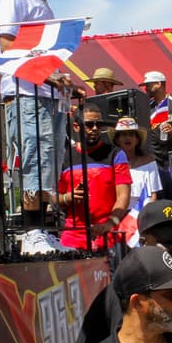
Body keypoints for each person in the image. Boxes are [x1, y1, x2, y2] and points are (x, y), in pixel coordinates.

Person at [0, 0, 76, 247]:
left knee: (48, 162)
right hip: (26, 91)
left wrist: (58, 77)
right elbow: (7, 44)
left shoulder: (43, 5)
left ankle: (39, 228)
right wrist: (48, 73)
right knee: (35, 161)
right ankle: (31, 231)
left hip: (45, 92)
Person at [56, 103, 131, 251]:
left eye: (99, 124)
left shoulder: (115, 154)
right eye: (89, 125)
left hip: (107, 233)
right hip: (72, 236)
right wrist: (68, 197)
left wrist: (109, 224)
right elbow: (53, 198)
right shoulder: (64, 157)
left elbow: (123, 196)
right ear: (76, 127)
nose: (95, 129)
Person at [110, 117, 169, 246]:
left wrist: (146, 221)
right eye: (124, 135)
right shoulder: (110, 164)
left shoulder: (149, 161)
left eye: (131, 134)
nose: (127, 138)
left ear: (137, 139)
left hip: (142, 216)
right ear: (117, 139)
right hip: (117, 216)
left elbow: (153, 195)